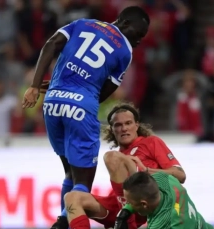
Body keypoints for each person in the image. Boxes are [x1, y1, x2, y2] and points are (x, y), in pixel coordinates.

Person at [49, 103, 214, 229]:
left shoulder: (152, 143)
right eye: (118, 125)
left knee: (111, 157)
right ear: (112, 130)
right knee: (72, 197)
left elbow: (180, 175)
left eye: (128, 123)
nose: (123, 128)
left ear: (137, 125)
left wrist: (146, 170)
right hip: (120, 204)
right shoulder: (119, 154)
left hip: (149, 201)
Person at [22, 6, 149, 211]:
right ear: (124, 23)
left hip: (53, 102)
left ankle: (64, 224)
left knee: (69, 173)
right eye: (139, 33)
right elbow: (105, 90)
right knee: (83, 179)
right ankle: (65, 224)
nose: (140, 39)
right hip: (82, 106)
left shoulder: (82, 24)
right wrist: (81, 99)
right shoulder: (125, 51)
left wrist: (35, 86)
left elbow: (51, 44)